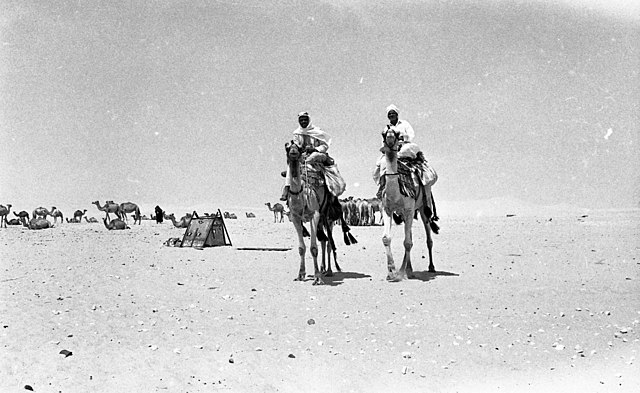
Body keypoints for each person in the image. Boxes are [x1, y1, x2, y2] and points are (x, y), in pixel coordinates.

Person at [280, 111, 333, 201]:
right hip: (302, 156)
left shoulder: (317, 132)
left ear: (309, 120)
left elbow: (324, 145)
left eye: (305, 120)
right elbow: (297, 145)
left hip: (317, 155)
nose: (303, 122)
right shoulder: (297, 133)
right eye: (301, 120)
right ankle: (287, 186)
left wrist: (315, 149)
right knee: (292, 163)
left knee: (315, 159)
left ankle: (331, 192)